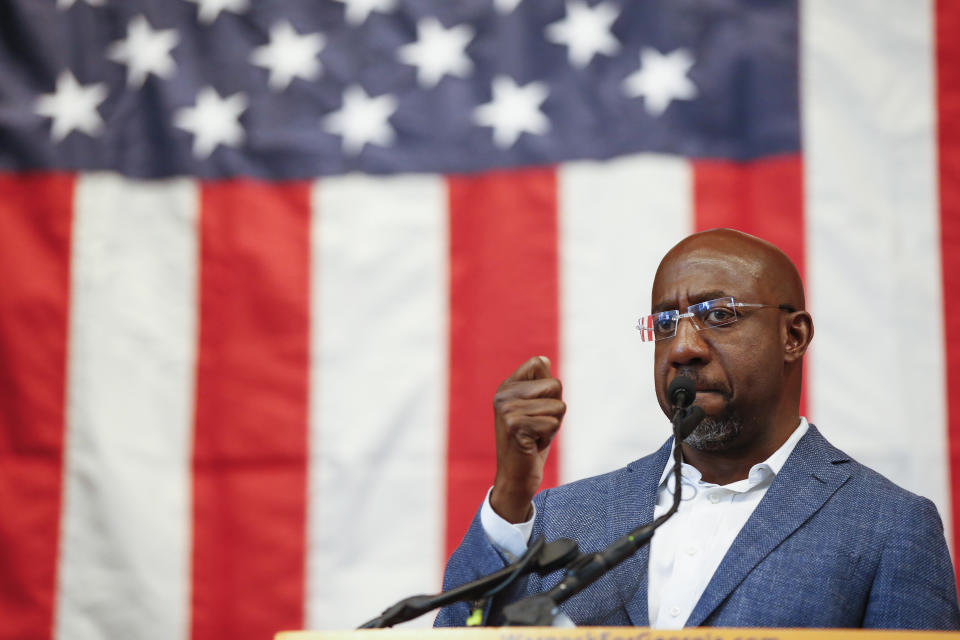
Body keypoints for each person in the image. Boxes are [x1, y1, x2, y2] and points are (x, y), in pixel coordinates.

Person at [434, 229, 960, 629]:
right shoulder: (559, 518)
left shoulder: (889, 526)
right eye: (665, 324)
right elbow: (460, 633)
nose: (683, 346)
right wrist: (510, 498)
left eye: (720, 315)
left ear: (793, 336)